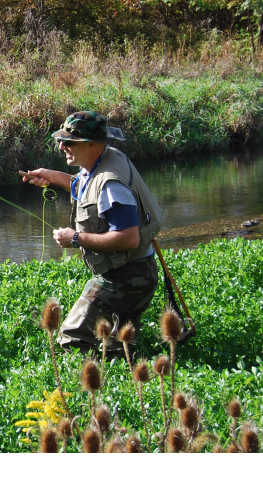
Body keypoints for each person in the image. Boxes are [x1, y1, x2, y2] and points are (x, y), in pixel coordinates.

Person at [21, 111, 163, 356]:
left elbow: (129, 238)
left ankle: (83, 388)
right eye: (61, 140)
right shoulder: (105, 158)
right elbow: (86, 186)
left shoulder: (112, 184)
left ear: (91, 143)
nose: (62, 146)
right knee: (119, 349)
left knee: (70, 339)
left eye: (69, 142)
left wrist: (74, 238)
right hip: (133, 272)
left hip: (126, 279)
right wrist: (54, 177)